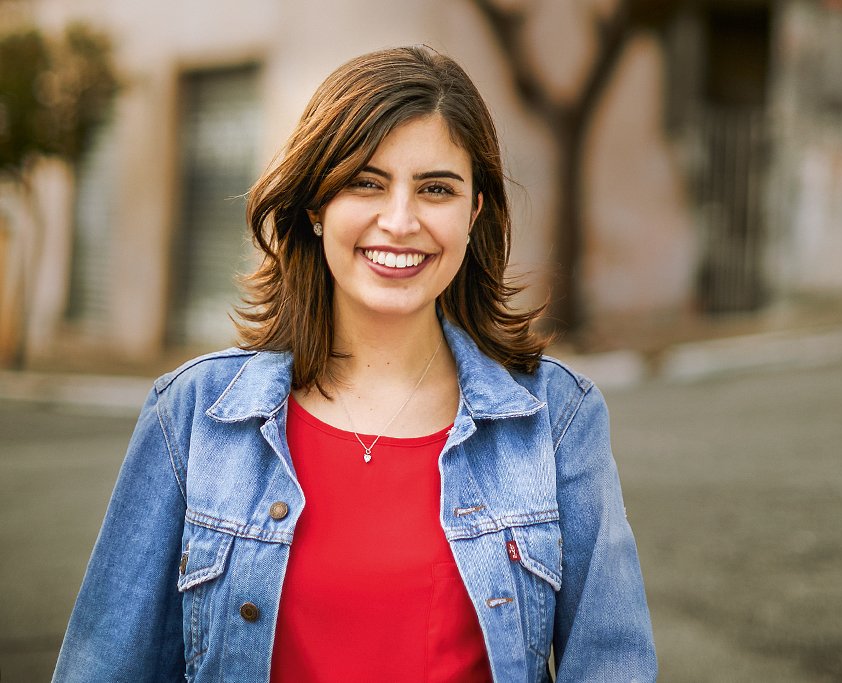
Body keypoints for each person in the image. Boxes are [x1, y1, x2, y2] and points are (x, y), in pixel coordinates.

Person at [53, 45, 656, 682]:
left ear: (474, 212)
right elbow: (105, 667)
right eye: (365, 183)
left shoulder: (557, 420)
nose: (399, 221)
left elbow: (611, 665)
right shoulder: (196, 415)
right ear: (316, 206)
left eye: (436, 189)